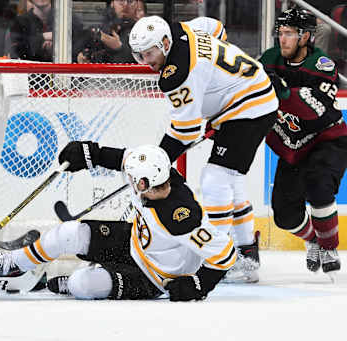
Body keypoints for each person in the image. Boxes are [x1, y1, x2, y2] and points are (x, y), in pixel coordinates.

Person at [0, 144, 237, 301]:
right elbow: (125, 158)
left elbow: (225, 254)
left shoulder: (181, 217)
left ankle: (77, 282)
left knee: (82, 284)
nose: (130, 179)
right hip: (133, 241)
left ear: (145, 183)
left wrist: (197, 285)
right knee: (68, 233)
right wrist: (91, 153)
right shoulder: (156, 175)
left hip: (153, 277)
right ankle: (13, 264)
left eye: (134, 179)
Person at [128, 16, 279, 283]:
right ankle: (246, 255)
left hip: (247, 110)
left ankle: (221, 259)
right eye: (140, 56)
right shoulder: (182, 29)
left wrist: (156, 164)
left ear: (165, 44)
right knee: (231, 180)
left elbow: (185, 130)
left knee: (215, 180)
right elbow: (216, 27)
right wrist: (217, 79)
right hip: (253, 95)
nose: (147, 62)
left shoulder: (179, 72)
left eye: (149, 54)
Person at [259, 8, 346, 276]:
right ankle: (314, 241)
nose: (282, 39)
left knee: (319, 185)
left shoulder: (322, 65)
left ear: (305, 36)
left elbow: (313, 109)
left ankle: (329, 247)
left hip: (326, 140)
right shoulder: (268, 60)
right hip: (293, 148)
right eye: (280, 33)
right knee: (285, 216)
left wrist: (282, 91)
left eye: (289, 34)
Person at [7, 0, 83, 62]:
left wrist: (57, 45)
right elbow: (17, 51)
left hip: (62, 75)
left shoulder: (68, 18)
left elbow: (78, 47)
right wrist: (43, 37)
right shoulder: (20, 22)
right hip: (30, 76)